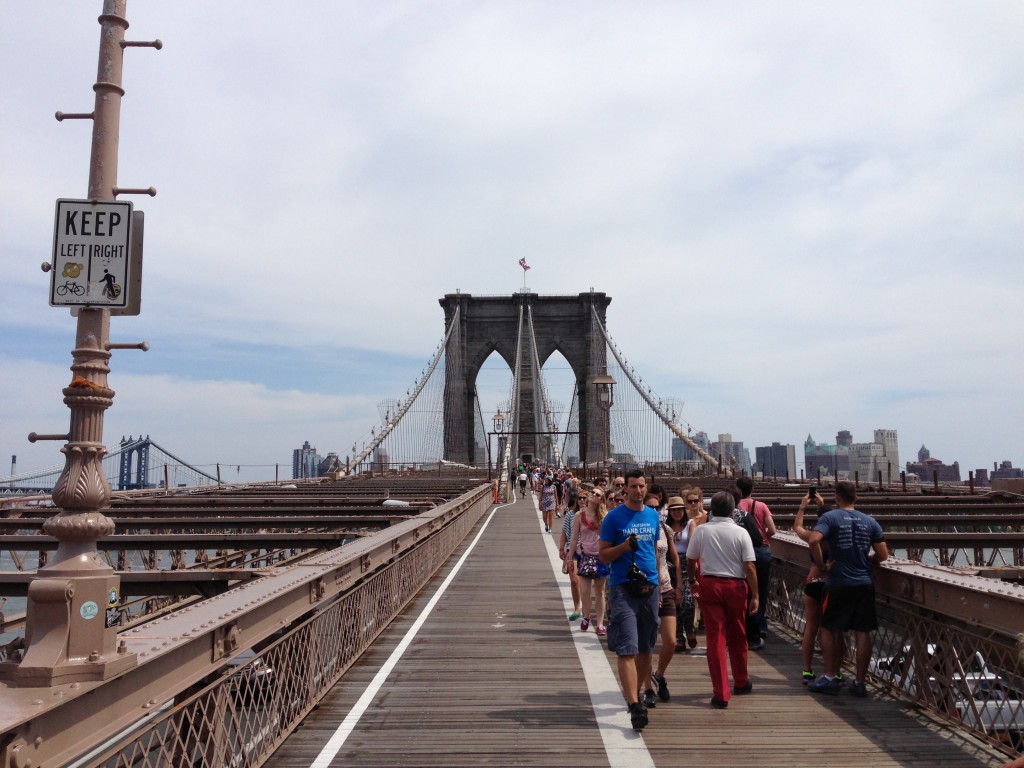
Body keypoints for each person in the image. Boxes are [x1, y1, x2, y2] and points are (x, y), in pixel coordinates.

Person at [806, 481, 889, 697]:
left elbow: (814, 540)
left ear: (837, 498)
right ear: (856, 499)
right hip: (864, 583)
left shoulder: (830, 517)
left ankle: (832, 677)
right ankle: (860, 683)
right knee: (862, 632)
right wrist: (867, 562)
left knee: (829, 629)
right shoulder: (870, 521)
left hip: (838, 583)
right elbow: (883, 555)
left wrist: (822, 566)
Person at [599, 470, 661, 731]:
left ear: (646, 488)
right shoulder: (613, 518)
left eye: (641, 486)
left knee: (646, 648)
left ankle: (633, 694)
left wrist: (658, 583)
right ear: (626, 490)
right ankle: (636, 705)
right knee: (628, 648)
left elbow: (655, 551)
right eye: (633, 486)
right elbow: (603, 556)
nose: (638, 490)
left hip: (650, 588)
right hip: (623, 588)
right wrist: (624, 547)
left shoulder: (653, 515)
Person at [686, 490, 757, 709]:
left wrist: (692, 580)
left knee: (715, 638)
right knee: (738, 634)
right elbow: (749, 566)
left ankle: (721, 693)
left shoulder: (702, 531)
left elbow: (690, 560)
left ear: (712, 509)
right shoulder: (741, 532)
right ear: (732, 509)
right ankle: (741, 681)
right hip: (736, 585)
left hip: (710, 584)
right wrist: (755, 594)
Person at [649, 499, 683, 704]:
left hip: (667, 587)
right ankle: (647, 689)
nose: (653, 510)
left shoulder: (664, 527)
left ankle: (659, 674)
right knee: (646, 643)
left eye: (656, 507)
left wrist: (678, 586)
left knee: (670, 641)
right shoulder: (638, 530)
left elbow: (675, 558)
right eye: (649, 507)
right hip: (646, 590)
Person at [736, 477, 776, 648]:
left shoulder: (736, 507)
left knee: (746, 591)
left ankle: (745, 626)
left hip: (742, 553)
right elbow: (772, 530)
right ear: (752, 489)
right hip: (761, 551)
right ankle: (761, 625)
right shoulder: (761, 506)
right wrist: (763, 535)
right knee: (761, 590)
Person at [565, 484, 610, 635]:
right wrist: (569, 558)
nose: (594, 495)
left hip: (600, 556)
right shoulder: (579, 515)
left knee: (600, 592)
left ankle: (601, 623)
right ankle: (587, 616)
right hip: (584, 555)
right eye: (593, 492)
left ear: (601, 500)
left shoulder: (604, 516)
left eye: (598, 495)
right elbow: (574, 538)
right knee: (584, 591)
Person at [559, 487, 585, 621]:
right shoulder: (570, 514)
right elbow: (564, 531)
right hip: (572, 550)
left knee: (586, 582)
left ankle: (586, 608)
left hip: (589, 551)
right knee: (574, 580)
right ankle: (577, 608)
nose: (581, 500)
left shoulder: (593, 514)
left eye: (584, 498)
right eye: (579, 498)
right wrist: (561, 549)